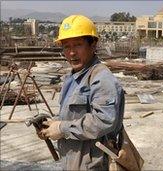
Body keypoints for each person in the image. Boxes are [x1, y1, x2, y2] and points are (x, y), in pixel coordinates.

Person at [39, 15, 125, 170]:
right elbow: (73, 116)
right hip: (72, 159)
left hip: (93, 163)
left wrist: (62, 128)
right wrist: (52, 126)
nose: (71, 53)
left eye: (78, 45)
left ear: (93, 45)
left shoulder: (101, 78)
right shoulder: (73, 77)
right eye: (66, 46)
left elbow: (103, 121)